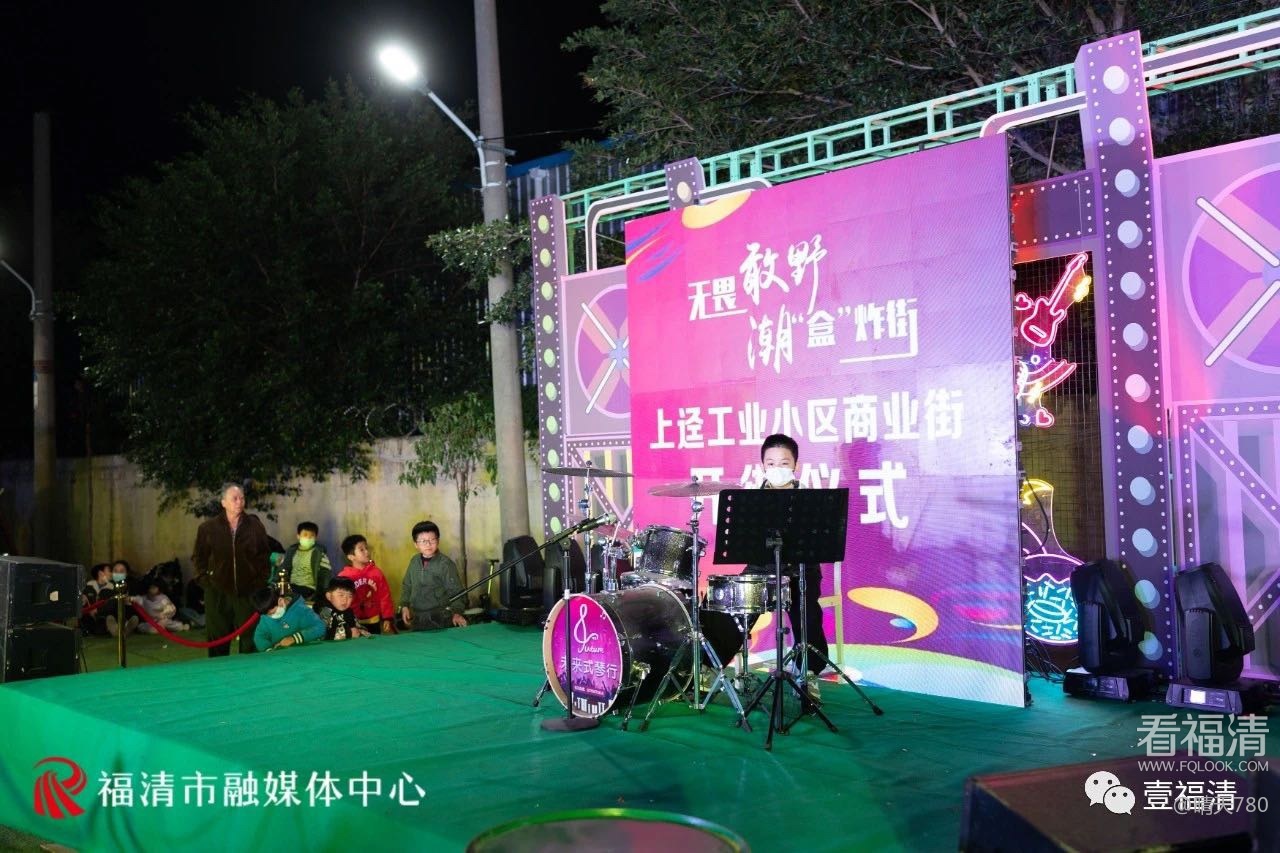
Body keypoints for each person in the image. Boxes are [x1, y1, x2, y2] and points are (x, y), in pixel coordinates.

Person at [745, 433, 829, 684]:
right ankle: (711, 665)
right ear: (762, 466)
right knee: (730, 604)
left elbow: (821, 540)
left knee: (807, 612)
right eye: (770, 463)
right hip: (762, 569)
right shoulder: (750, 500)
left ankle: (808, 673)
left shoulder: (811, 500)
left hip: (800, 569)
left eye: (783, 463)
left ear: (795, 465)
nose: (777, 469)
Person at [192, 483, 273, 656]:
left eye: (242, 498)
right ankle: (218, 669)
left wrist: (259, 581)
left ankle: (249, 669)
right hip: (217, 591)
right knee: (217, 637)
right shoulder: (208, 528)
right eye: (234, 499)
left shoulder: (255, 526)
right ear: (223, 502)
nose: (239, 502)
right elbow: (199, 557)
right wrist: (206, 580)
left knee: (250, 637)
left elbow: (264, 555)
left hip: (248, 591)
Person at [399, 521, 468, 631]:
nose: (428, 544)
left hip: (441, 617)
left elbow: (456, 591)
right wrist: (404, 605)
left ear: (438, 541)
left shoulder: (446, 564)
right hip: (417, 617)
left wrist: (457, 612)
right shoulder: (414, 561)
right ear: (416, 544)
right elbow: (407, 585)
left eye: (432, 540)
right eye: (423, 541)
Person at [337, 534, 396, 635]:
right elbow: (340, 601)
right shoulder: (344, 576)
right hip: (353, 623)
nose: (367, 552)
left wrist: (387, 617)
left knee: (375, 643)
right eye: (361, 550)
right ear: (351, 557)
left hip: (374, 621)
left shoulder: (376, 573)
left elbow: (384, 596)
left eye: (366, 548)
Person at [250, 587, 326, 651]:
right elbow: (259, 636)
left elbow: (320, 627)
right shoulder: (266, 616)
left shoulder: (300, 610)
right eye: (267, 615)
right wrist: (269, 650)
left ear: (280, 601)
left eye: (272, 613)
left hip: (302, 653)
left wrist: (293, 639)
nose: (270, 616)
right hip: (278, 657)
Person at [275, 521, 332, 604]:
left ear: (316, 538)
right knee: (274, 594)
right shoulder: (291, 552)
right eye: (305, 535)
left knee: (289, 598)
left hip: (308, 588)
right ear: (298, 536)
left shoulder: (319, 554)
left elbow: (325, 575)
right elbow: (283, 569)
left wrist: (320, 595)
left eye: (312, 536)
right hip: (291, 585)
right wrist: (276, 583)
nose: (308, 538)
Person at [314, 576, 370, 641]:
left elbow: (357, 626)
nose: (345, 600)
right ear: (328, 596)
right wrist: (350, 633)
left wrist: (360, 631)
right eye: (341, 595)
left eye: (350, 596)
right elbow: (322, 634)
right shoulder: (324, 611)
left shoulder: (348, 612)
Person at [80, 563, 115, 636]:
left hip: (103, 616)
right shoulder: (87, 587)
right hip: (88, 616)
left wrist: (98, 610)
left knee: (102, 622)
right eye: (109, 571)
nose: (111, 573)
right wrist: (83, 600)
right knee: (86, 619)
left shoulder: (112, 588)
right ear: (100, 573)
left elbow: (112, 604)